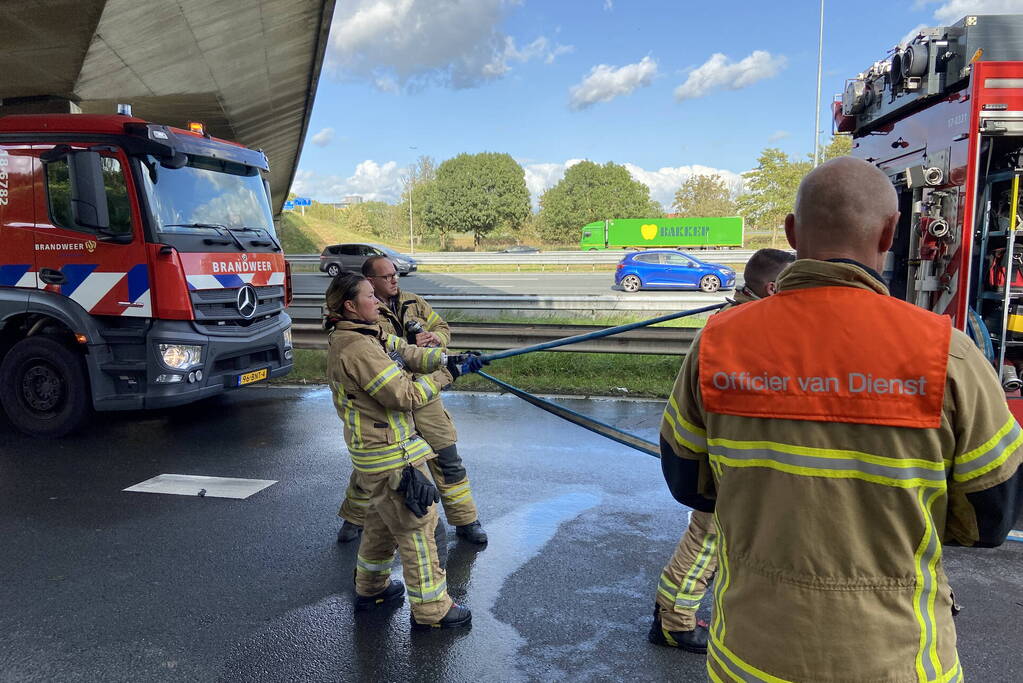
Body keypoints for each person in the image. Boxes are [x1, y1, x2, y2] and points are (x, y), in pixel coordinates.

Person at [660, 157, 1022, 681]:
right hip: (896, 659)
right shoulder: (948, 354)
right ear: (892, 232)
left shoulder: (717, 342)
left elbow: (688, 483)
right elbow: (991, 518)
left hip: (748, 656)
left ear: (791, 232)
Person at [649, 248, 795, 653]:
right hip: (730, 462)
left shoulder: (734, 322)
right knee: (708, 541)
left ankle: (669, 611)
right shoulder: (744, 329)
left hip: (724, 457)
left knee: (705, 537)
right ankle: (674, 624)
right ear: (773, 287)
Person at [325, 272, 482, 629]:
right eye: (369, 296)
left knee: (381, 523)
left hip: (378, 455)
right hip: (391, 455)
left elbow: (407, 352)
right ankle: (432, 611)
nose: (377, 302)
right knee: (418, 528)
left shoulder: (367, 334)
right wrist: (448, 376)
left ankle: (371, 588)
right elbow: (403, 396)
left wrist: (447, 359)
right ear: (350, 306)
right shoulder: (358, 349)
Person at [336, 255, 488, 546]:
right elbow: (373, 354)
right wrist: (409, 351)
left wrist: (436, 340)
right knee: (375, 470)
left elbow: (443, 329)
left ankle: (466, 520)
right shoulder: (363, 315)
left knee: (448, 458)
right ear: (369, 282)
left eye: (395, 274)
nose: (394, 280)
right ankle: (354, 519)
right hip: (389, 400)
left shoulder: (414, 303)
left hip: (426, 395)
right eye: (386, 276)